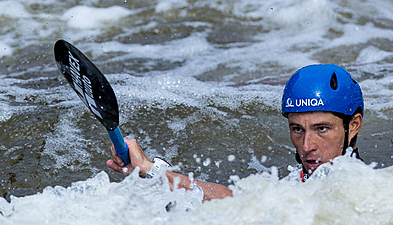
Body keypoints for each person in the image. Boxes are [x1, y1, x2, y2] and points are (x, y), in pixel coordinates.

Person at [106, 64, 364, 201]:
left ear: (353, 125)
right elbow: (235, 200)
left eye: (322, 129)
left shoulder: (365, 191)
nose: (307, 145)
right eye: (297, 129)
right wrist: (151, 171)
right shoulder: (297, 184)